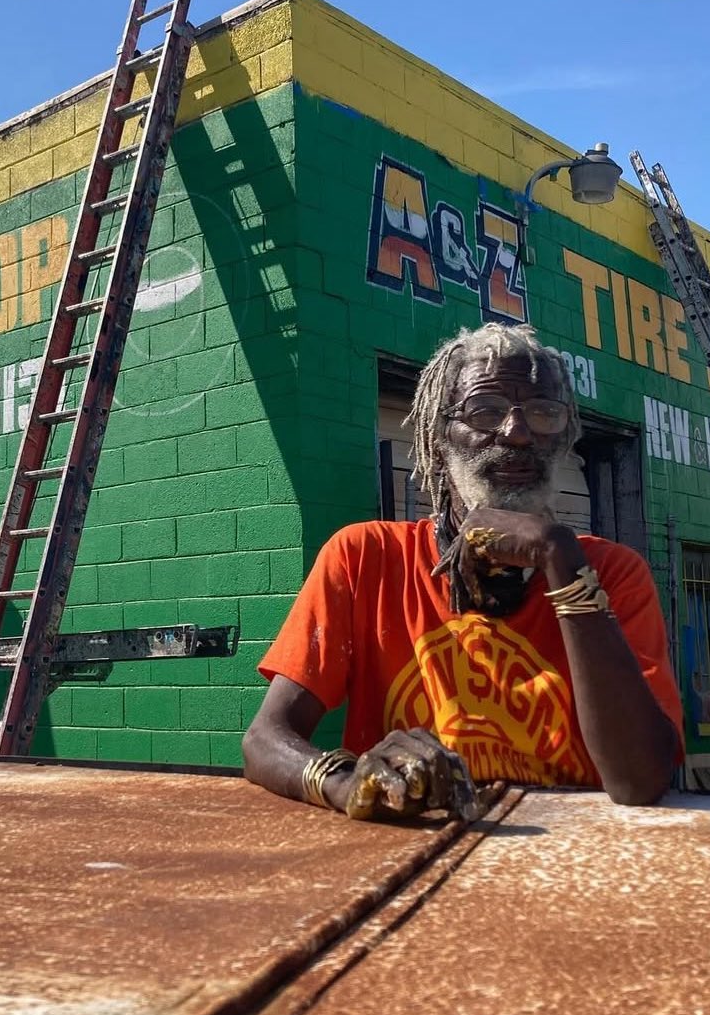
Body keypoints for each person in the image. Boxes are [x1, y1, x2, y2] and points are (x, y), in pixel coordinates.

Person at [243, 323, 682, 823]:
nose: (517, 434)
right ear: (438, 435)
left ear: (566, 438)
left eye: (543, 414)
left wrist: (559, 555)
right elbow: (264, 740)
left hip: (575, 861)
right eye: (484, 411)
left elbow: (640, 780)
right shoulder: (364, 557)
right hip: (416, 854)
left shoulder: (611, 571)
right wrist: (347, 784)